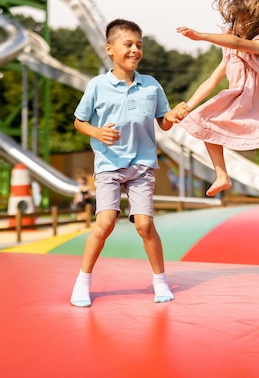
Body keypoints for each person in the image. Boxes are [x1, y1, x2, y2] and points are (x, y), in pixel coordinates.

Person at [69, 18, 186, 307]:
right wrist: (97, 132)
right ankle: (82, 282)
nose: (135, 50)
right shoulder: (97, 85)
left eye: (139, 45)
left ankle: (160, 281)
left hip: (143, 163)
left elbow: (164, 123)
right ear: (110, 49)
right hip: (109, 163)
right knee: (106, 222)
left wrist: (173, 116)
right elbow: (78, 121)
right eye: (128, 44)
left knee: (145, 225)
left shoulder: (152, 86)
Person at [173, 0, 259, 232]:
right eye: (235, 20)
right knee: (204, 122)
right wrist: (189, 105)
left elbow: (241, 44)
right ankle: (222, 175)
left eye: (243, 20)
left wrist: (202, 36)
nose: (237, 25)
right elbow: (212, 79)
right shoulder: (229, 49)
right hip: (239, 99)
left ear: (256, 22)